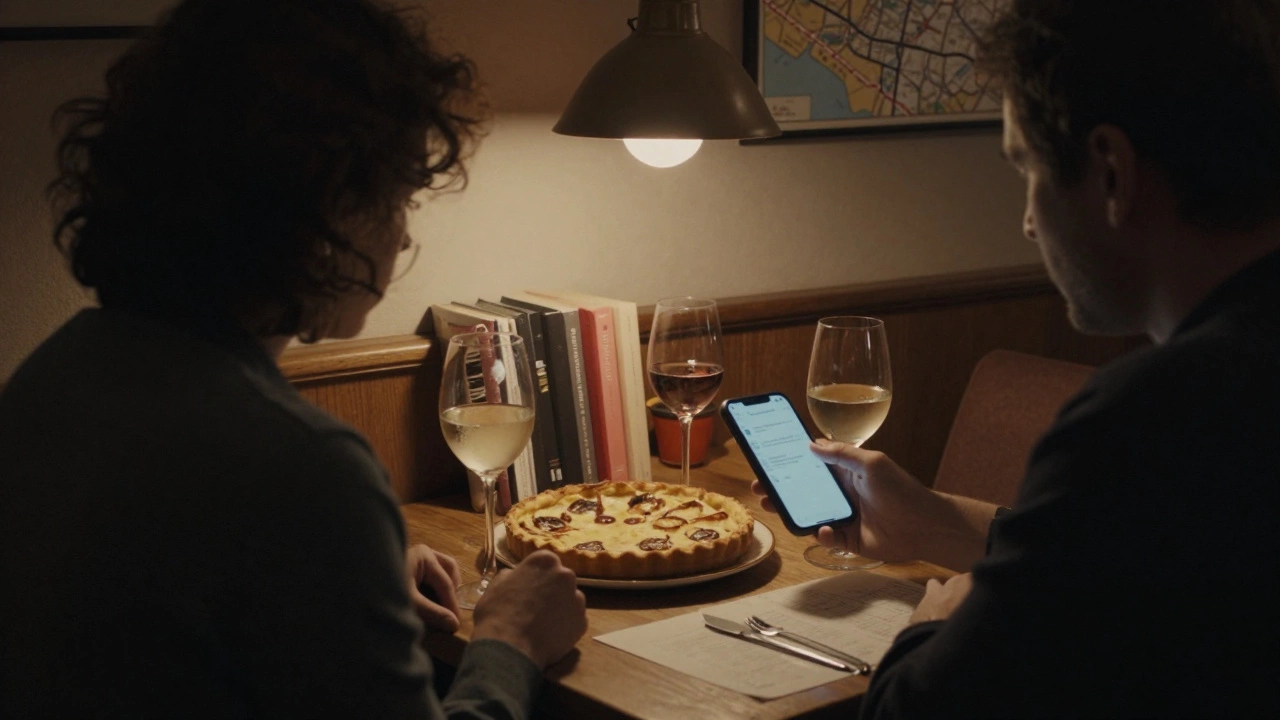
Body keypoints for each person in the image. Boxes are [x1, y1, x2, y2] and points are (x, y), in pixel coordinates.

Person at [0, 1, 586, 718]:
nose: (401, 238)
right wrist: (509, 641)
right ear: (327, 211)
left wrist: (345, 575)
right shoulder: (303, 471)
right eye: (398, 198)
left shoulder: (54, 377)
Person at [755, 1, 1280, 716]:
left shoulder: (1150, 418)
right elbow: (1122, 555)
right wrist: (936, 522)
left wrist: (935, 624)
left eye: (1026, 167)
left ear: (1112, 171)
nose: (1029, 221)